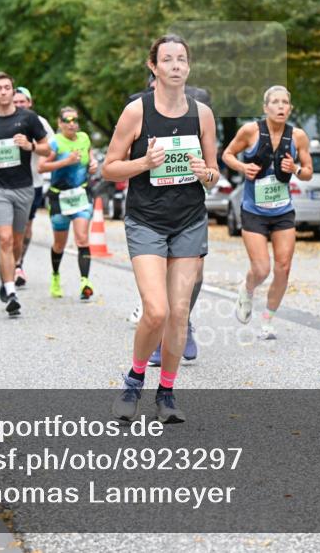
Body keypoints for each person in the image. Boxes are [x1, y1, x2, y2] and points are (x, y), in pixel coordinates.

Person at [103, 35, 220, 424]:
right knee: (156, 311)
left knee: (179, 314)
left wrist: (207, 174)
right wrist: (144, 164)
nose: (175, 65)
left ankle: (166, 393)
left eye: (181, 59)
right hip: (147, 221)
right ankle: (134, 381)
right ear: (153, 67)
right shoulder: (137, 112)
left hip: (189, 220)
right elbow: (109, 167)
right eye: (167, 59)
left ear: (188, 67)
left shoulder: (202, 114)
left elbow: (213, 173)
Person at [222, 85, 313, 340]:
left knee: (283, 267)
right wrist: (242, 167)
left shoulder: (298, 137)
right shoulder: (250, 131)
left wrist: (294, 168)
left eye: (285, 102)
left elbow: (308, 172)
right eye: (275, 102)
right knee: (261, 269)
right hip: (254, 211)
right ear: (265, 108)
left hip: (283, 211)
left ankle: (268, 320)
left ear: (290, 108)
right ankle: (247, 289)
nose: (281, 106)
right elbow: (227, 154)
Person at [0, 72, 51, 316]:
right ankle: (10, 291)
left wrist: (31, 146)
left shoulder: (28, 118)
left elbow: (49, 148)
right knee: (4, 238)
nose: (4, 91)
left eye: (7, 87)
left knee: (16, 242)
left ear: (12, 91)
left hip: (24, 188)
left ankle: (8, 271)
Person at [38, 106, 98, 300]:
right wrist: (66, 162)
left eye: (74, 120)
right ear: (60, 123)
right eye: (67, 120)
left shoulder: (84, 138)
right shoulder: (54, 143)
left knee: (82, 238)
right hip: (59, 197)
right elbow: (42, 167)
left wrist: (93, 164)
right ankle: (55, 275)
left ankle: (85, 282)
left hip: (81, 194)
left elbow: (90, 157)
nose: (72, 123)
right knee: (59, 244)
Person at [14, 87, 54, 287]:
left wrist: (32, 147)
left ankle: (18, 264)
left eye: (23, 102)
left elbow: (51, 150)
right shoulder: (4, 120)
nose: (19, 105)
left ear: (30, 103)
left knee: (26, 226)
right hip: (8, 183)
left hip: (33, 182)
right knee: (10, 228)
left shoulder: (40, 122)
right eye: (16, 101)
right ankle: (10, 263)